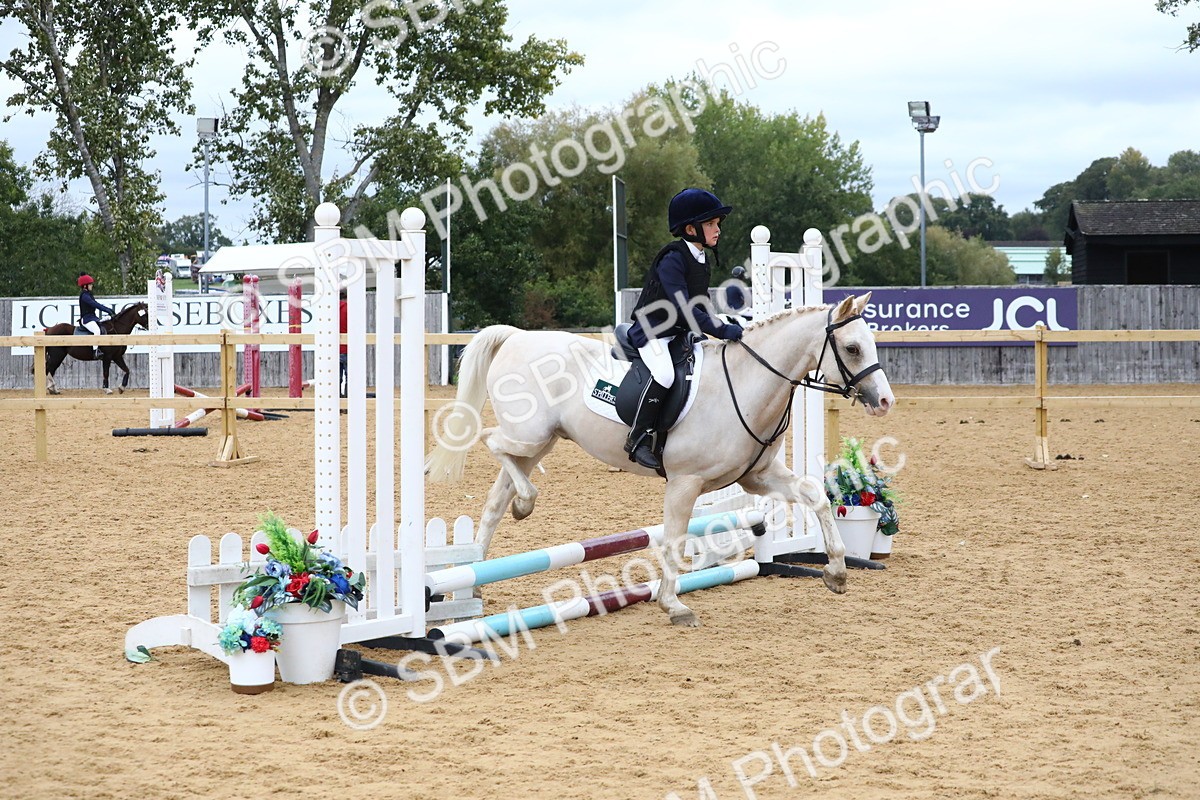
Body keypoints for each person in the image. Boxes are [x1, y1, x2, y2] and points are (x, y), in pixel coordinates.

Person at [624, 188, 744, 471]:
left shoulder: (700, 257)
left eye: (718, 224)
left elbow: (701, 303)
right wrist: (721, 331)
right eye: (711, 224)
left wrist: (724, 322)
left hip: (677, 332)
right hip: (652, 331)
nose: (718, 230)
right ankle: (638, 438)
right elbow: (685, 308)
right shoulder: (673, 259)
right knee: (665, 374)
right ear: (691, 229)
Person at [77, 273, 115, 358]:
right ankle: (95, 351)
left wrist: (108, 310)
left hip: (93, 318)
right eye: (90, 284)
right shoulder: (84, 296)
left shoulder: (89, 295)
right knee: (97, 331)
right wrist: (107, 310)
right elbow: (95, 304)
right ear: (85, 286)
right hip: (86, 319)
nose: (91, 286)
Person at [338, 289, 348, 398]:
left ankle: (337, 403)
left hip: (335, 349)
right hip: (348, 348)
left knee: (336, 378)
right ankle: (348, 403)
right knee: (350, 378)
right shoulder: (349, 308)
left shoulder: (331, 310)